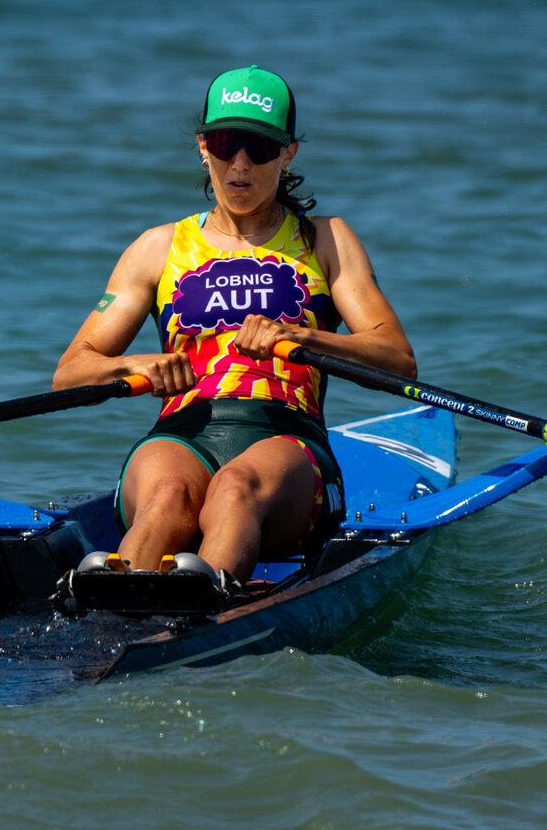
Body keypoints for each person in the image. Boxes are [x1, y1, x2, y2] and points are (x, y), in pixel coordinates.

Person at [53, 65, 416, 586]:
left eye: (260, 149)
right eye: (226, 144)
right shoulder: (157, 248)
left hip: (286, 436)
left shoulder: (327, 240)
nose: (240, 165)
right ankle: (114, 618)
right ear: (203, 146)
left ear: (288, 153)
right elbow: (71, 371)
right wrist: (139, 363)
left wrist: (302, 336)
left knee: (235, 487)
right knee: (168, 498)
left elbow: (397, 356)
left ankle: (203, 611)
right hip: (182, 434)